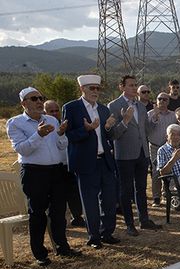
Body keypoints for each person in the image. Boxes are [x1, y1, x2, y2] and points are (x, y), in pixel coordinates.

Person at [7, 87, 81, 266]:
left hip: (55, 171)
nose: (39, 102)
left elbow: (61, 146)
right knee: (38, 213)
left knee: (58, 212)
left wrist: (62, 134)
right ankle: (40, 254)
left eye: (41, 98)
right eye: (34, 99)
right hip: (34, 172)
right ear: (24, 103)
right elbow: (22, 149)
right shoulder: (15, 123)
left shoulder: (50, 119)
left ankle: (62, 247)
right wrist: (38, 135)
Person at [63, 74, 119, 249]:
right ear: (82, 89)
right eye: (91, 88)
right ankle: (94, 237)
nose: (95, 91)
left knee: (110, 200)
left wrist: (109, 127)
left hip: (105, 161)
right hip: (86, 163)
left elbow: (108, 136)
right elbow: (69, 135)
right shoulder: (71, 108)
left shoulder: (103, 109)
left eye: (98, 88)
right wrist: (86, 130)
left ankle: (107, 232)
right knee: (90, 202)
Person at [108, 75, 162, 237]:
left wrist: (154, 121)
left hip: (141, 152)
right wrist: (125, 121)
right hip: (124, 154)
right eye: (130, 85)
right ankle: (129, 224)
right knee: (126, 190)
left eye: (135, 85)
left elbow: (145, 130)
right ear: (122, 87)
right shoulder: (114, 106)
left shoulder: (140, 105)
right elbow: (112, 134)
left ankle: (144, 220)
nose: (133, 87)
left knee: (141, 188)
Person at [44, 99, 85, 227]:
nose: (55, 113)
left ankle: (77, 217)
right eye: (51, 111)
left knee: (74, 193)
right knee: (57, 196)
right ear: (45, 112)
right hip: (53, 165)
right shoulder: (44, 127)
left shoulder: (66, 123)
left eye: (57, 111)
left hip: (68, 163)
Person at [147, 92, 177, 207]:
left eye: (165, 99)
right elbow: (147, 130)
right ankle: (156, 197)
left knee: (169, 170)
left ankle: (166, 195)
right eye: (160, 99)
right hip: (154, 147)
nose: (162, 101)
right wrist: (155, 117)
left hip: (168, 147)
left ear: (168, 102)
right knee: (156, 172)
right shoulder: (149, 114)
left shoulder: (173, 115)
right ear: (156, 100)